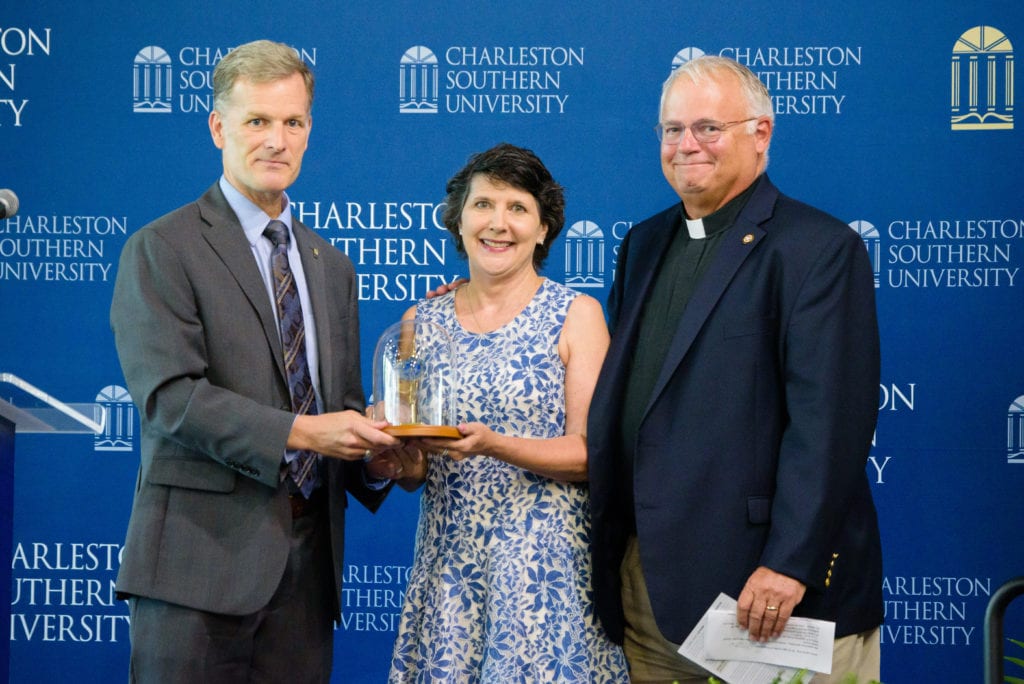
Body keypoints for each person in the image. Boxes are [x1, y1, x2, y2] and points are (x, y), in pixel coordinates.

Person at [109, 39, 400, 682]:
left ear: (309, 131)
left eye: (292, 122)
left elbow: (338, 411)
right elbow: (171, 398)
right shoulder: (163, 248)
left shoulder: (332, 268)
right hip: (196, 573)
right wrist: (303, 431)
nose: (277, 139)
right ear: (219, 127)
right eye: (257, 121)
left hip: (306, 581)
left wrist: (376, 458)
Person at [586, 56, 883, 683]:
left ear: (761, 133)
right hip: (647, 589)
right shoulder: (643, 243)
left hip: (765, 591)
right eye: (672, 130)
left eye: (708, 128)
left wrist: (790, 565)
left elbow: (828, 426)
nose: (686, 145)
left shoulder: (817, 248)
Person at [384, 143, 628, 682]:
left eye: (518, 208)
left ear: (544, 229)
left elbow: (590, 454)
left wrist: (493, 443)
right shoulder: (418, 321)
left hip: (545, 575)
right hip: (450, 570)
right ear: (459, 218)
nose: (498, 223)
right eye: (483, 205)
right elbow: (415, 468)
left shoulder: (577, 315)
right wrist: (392, 456)